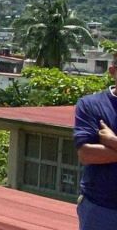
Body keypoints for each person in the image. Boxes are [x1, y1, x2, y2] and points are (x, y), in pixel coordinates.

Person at [74, 53, 117, 229]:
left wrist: (113, 141)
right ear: (113, 71)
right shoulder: (91, 105)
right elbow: (87, 154)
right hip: (100, 209)